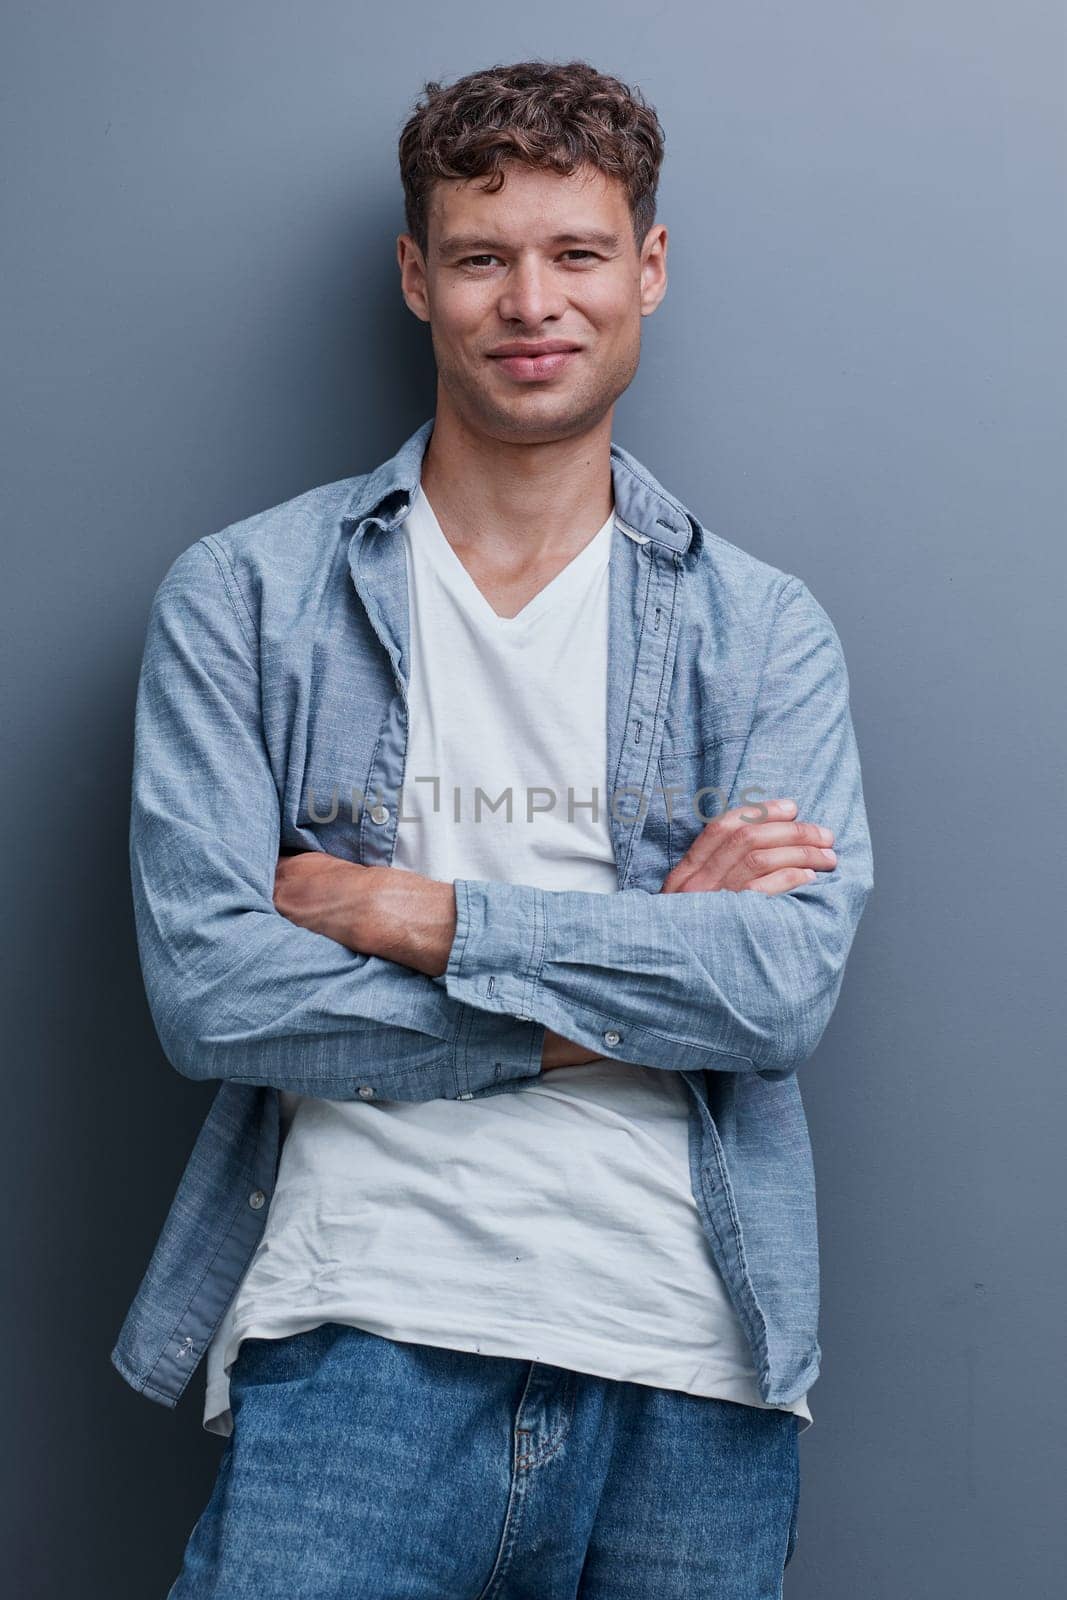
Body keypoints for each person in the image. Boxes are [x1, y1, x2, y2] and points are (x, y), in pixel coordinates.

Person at [113, 58, 874, 1599]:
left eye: (579, 253)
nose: (535, 302)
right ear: (418, 278)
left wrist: (431, 917)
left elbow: (781, 991)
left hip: (696, 1367)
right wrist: (633, 988)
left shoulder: (762, 633)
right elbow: (214, 993)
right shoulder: (247, 600)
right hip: (360, 1342)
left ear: (647, 268)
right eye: (482, 257)